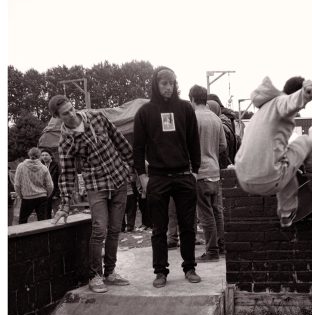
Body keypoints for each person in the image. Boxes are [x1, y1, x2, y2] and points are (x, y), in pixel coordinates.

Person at [48, 94, 132, 293]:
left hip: (119, 179)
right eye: (65, 114)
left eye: (71, 109)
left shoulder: (96, 117)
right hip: (96, 185)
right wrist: (65, 205)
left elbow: (119, 140)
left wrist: (134, 165)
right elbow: (67, 175)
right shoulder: (65, 142)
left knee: (114, 230)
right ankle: (95, 275)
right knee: (99, 229)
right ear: (58, 117)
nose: (71, 114)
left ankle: (110, 272)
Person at [234, 76, 312, 227]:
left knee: (286, 163)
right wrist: (305, 95)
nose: (302, 109)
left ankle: (287, 213)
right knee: (308, 142)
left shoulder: (261, 112)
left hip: (244, 179)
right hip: (268, 178)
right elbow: (289, 103)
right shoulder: (280, 102)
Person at [133, 66, 202, 288]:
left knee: (188, 227)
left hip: (183, 175)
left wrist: (194, 171)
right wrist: (142, 176)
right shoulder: (145, 112)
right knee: (159, 229)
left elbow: (194, 142)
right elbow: (138, 148)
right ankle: (160, 272)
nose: (168, 87)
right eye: (163, 83)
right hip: (158, 177)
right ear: (156, 84)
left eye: (171, 83)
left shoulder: (184, 109)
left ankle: (189, 267)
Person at [190, 85, 227, 261]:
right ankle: (221, 246)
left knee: (205, 214)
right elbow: (223, 146)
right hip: (215, 171)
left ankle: (211, 251)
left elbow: (187, 147)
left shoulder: (192, 118)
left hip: (200, 173)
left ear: (192, 99)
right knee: (217, 211)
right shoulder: (216, 118)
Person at [14, 147, 54, 224]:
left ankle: (24, 236)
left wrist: (20, 195)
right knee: (42, 221)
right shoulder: (44, 168)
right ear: (39, 156)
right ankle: (42, 236)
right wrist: (47, 195)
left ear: (29, 155)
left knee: (22, 221)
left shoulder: (21, 166)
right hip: (42, 197)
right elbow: (50, 185)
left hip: (27, 197)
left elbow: (17, 184)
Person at [40, 148, 61, 218]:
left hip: (55, 193)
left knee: (57, 213)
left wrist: (57, 193)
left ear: (51, 156)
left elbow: (60, 180)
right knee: (46, 214)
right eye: (42, 155)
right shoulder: (40, 166)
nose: (44, 157)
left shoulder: (57, 165)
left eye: (46, 155)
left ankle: (59, 228)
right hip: (44, 194)